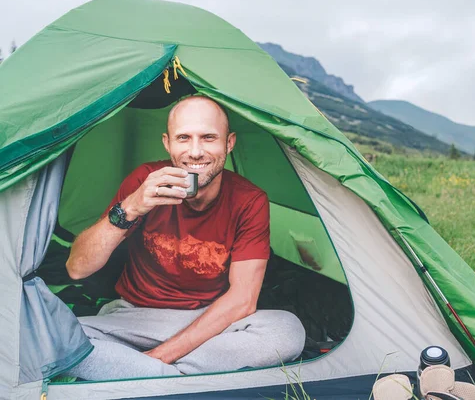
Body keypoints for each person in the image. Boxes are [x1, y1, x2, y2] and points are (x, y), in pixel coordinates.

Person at [64, 96, 305, 380]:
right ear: (168, 144)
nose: (195, 152)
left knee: (286, 330)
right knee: (55, 338)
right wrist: (131, 206)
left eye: (208, 138)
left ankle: (144, 373)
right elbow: (76, 268)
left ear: (229, 143)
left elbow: (242, 301)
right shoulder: (145, 180)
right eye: (183, 138)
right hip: (134, 317)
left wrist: (159, 356)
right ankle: (183, 379)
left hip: (210, 322)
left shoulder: (249, 200)